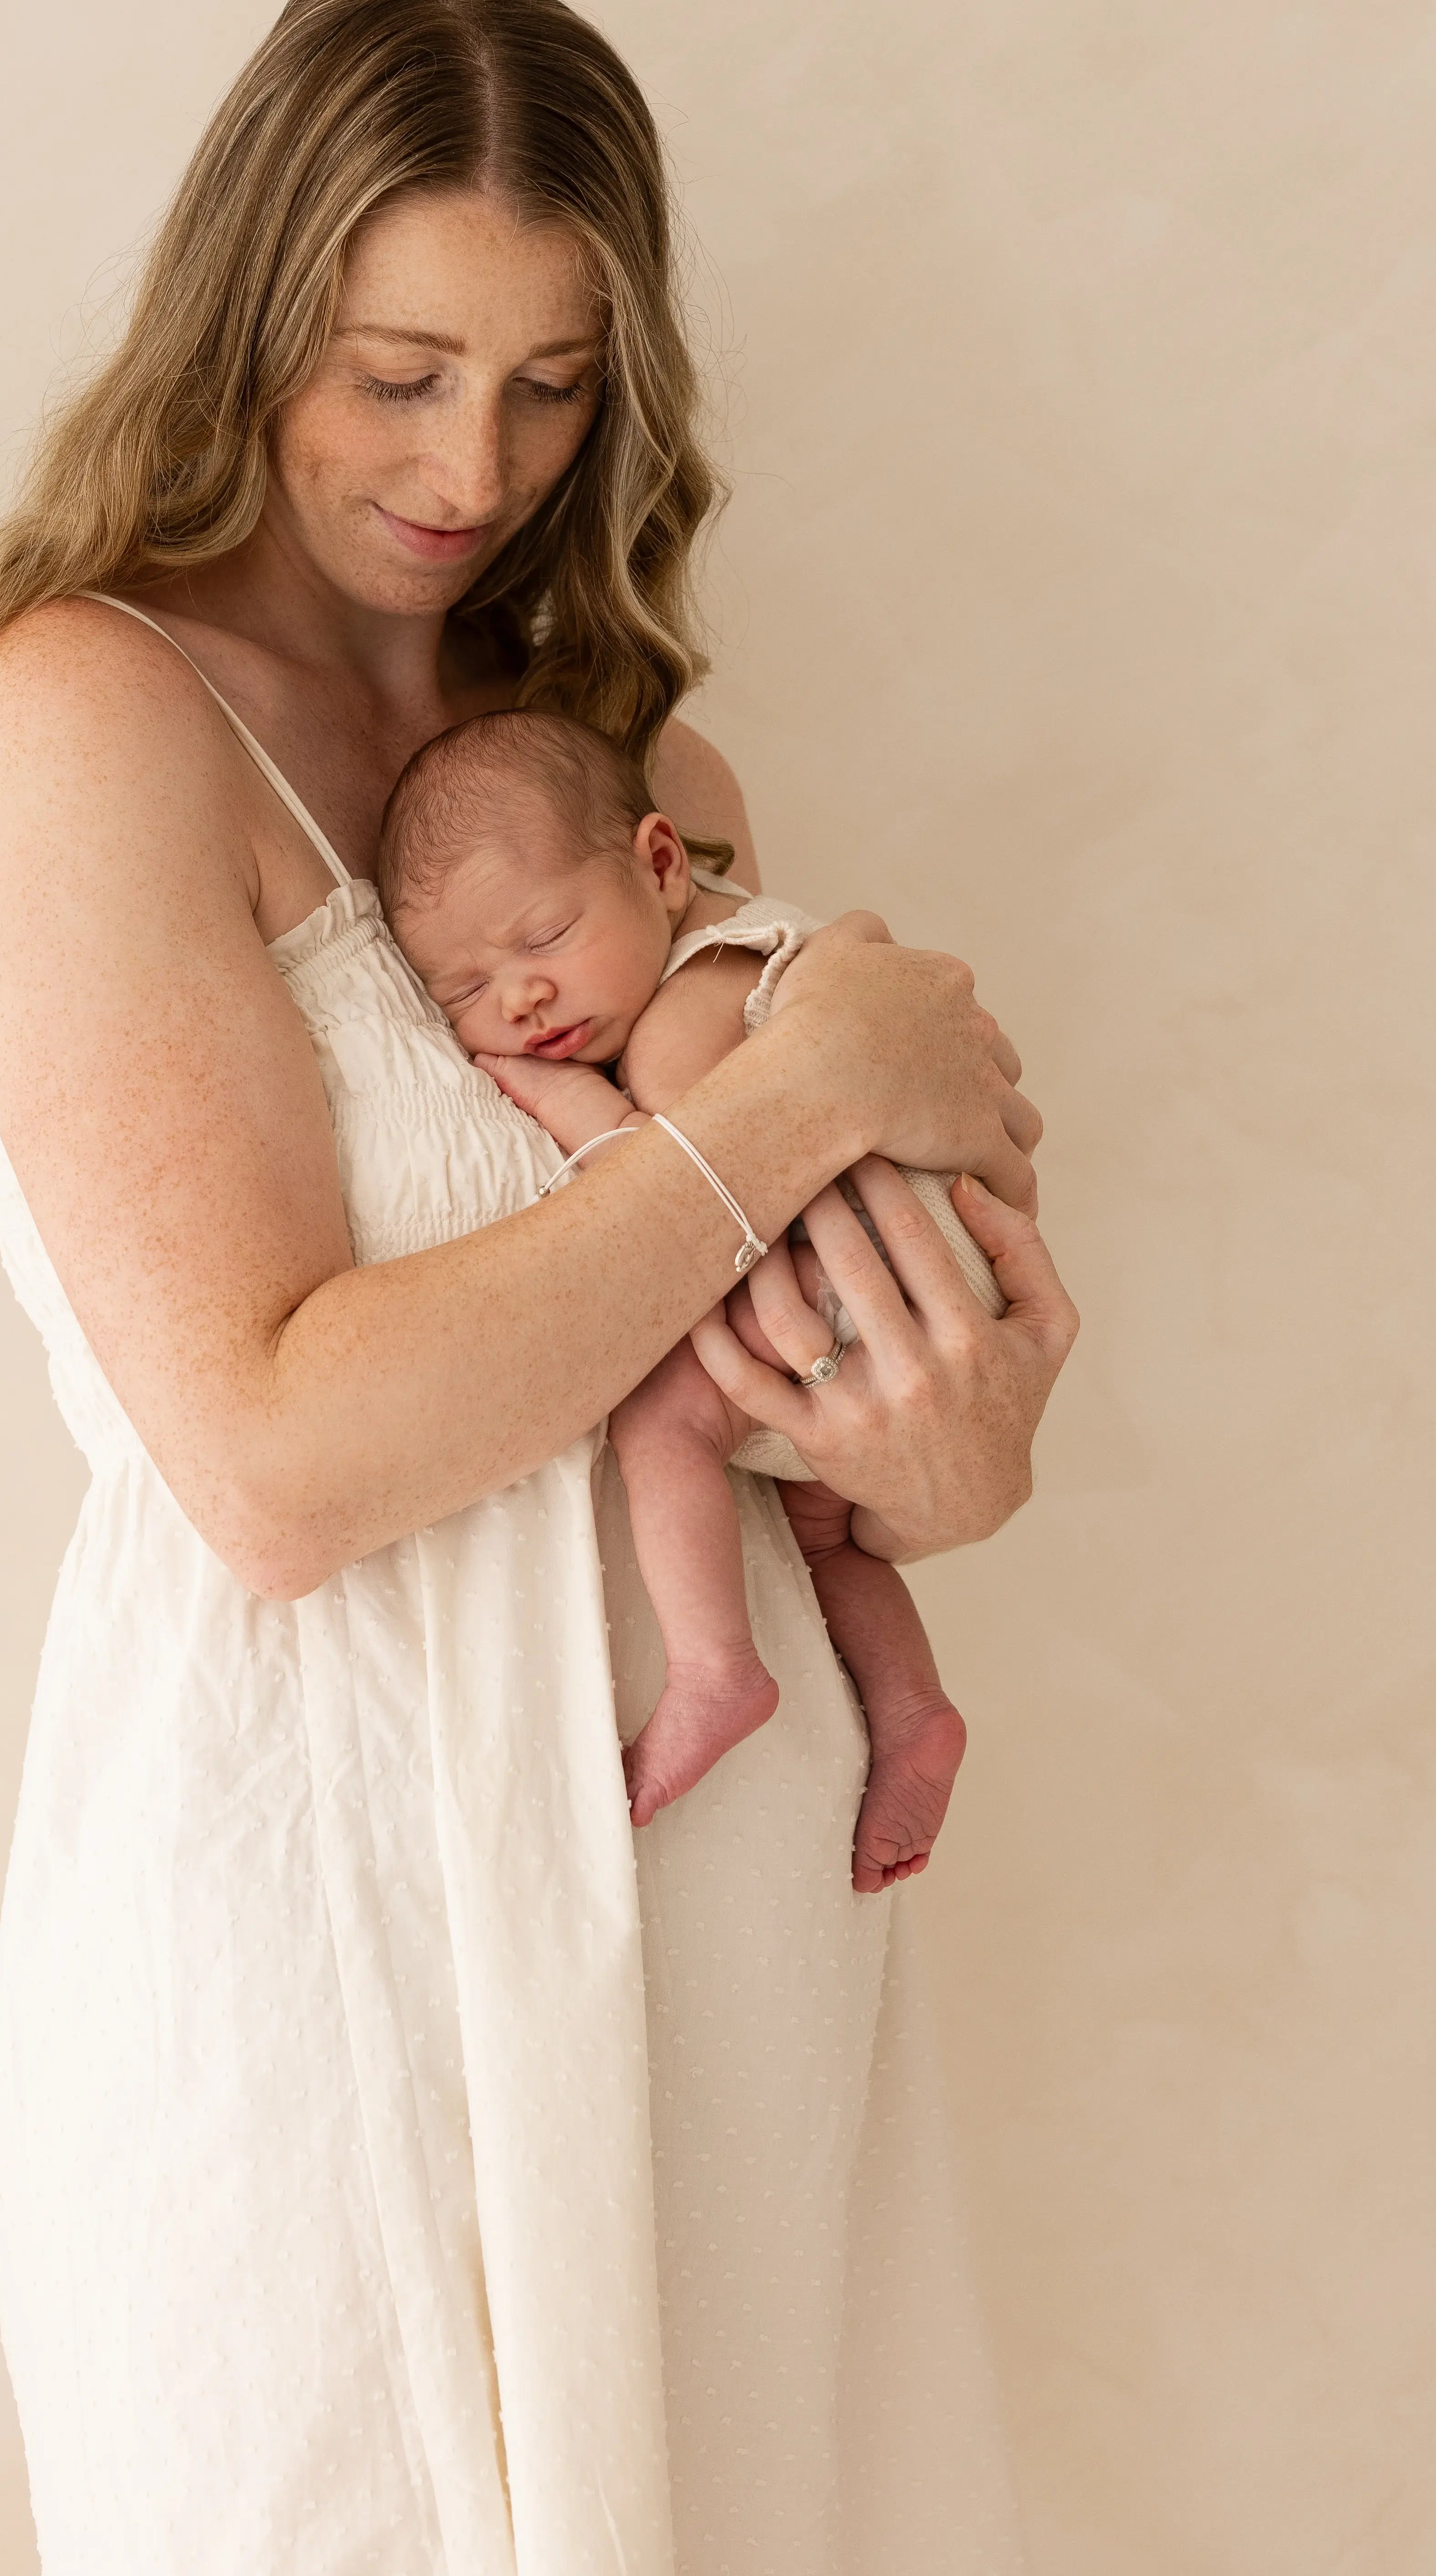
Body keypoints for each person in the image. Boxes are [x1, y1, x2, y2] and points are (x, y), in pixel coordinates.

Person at [0, 0, 1076, 2576]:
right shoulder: (82, 723)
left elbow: (817, 1370)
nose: (472, 463)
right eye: (397, 371)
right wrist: (812, 1089)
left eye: (552, 383)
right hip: (325, 1893)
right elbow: (275, 1462)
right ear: (250, 321)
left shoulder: (636, 773)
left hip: (722, 1877)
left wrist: (951, 1454)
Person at [375, 704, 992, 1891]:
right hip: (901, 1287)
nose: (521, 998)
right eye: (465, 990)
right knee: (821, 1534)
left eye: (544, 936)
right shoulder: (733, 957)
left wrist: (571, 1107)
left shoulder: (696, 1003)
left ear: (662, 864)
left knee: (663, 1419)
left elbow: (689, 1200)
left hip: (866, 1278)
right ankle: (914, 1711)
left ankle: (718, 1673)